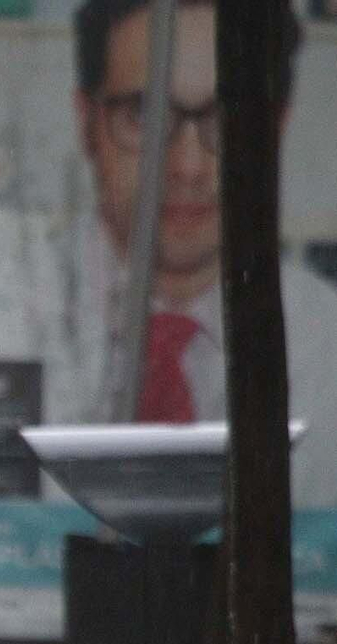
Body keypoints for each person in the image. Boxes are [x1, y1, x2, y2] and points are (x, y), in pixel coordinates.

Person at [41, 0, 337, 507]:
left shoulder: (328, 344)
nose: (187, 166)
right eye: (144, 115)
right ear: (86, 121)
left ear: (278, 127)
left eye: (227, 118)